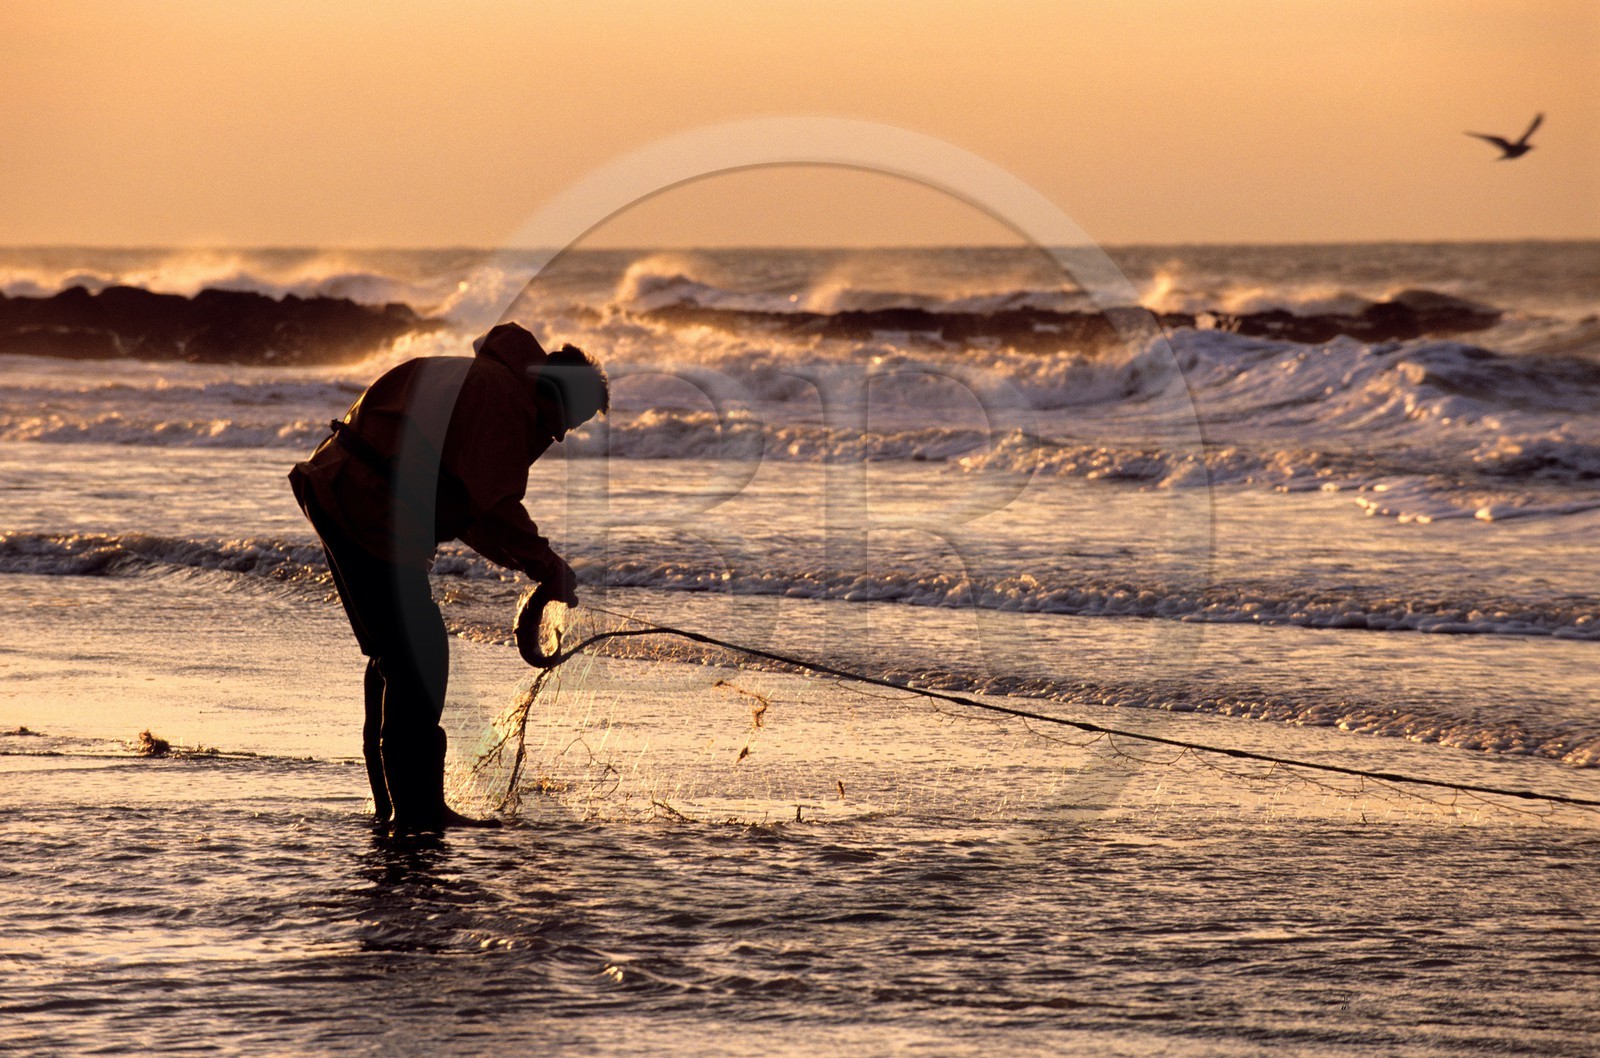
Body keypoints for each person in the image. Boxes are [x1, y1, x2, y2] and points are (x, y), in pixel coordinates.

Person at [289, 322, 609, 830]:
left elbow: (475, 514)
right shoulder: (502, 398)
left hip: (347, 492)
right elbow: (497, 507)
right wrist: (547, 565)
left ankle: (394, 807)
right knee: (417, 653)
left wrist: (537, 566)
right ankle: (416, 811)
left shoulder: (491, 385)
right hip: (365, 501)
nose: (563, 434)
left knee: (396, 656)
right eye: (570, 418)